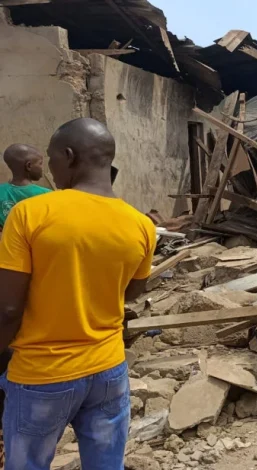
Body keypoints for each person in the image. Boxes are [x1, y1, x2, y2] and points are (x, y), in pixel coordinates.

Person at [0, 118, 156, 470]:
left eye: (52, 159)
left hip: (42, 373)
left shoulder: (31, 213)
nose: (50, 169)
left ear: (68, 156)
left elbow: (8, 308)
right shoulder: (140, 224)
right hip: (109, 371)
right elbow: (133, 290)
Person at [0, 144, 51, 228]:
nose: (42, 168)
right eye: (40, 163)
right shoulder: (47, 195)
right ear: (29, 166)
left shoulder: (1, 191)